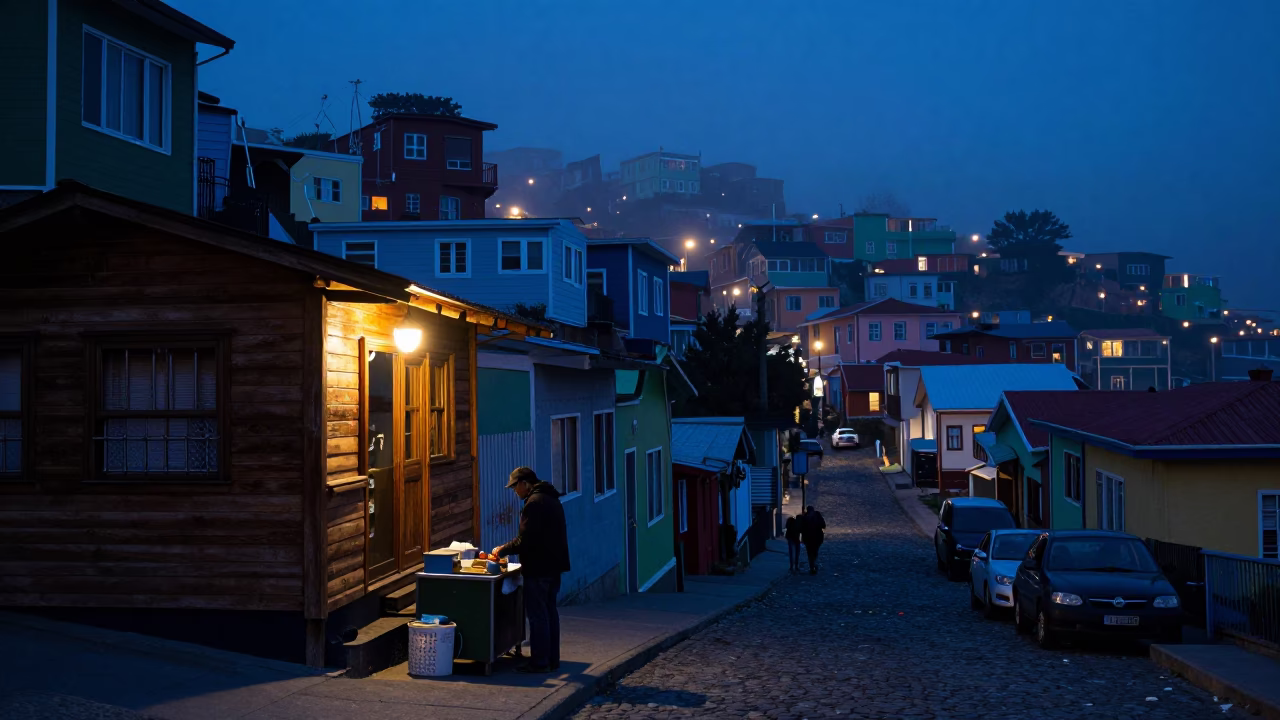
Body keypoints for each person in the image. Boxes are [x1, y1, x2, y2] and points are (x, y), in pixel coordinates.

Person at [492, 467, 570, 673]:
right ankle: (552, 658)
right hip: (554, 566)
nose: (514, 492)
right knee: (550, 611)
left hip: (539, 567)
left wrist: (501, 550)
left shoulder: (534, 504)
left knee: (537, 615)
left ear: (524, 484)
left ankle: (540, 661)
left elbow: (524, 540)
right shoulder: (551, 497)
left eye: (515, 487)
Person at [801, 505, 826, 575]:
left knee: (810, 553)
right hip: (816, 538)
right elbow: (823, 525)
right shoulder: (817, 516)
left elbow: (802, 529)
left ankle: (812, 566)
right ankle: (813, 565)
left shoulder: (805, 517)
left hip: (808, 538)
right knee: (814, 552)